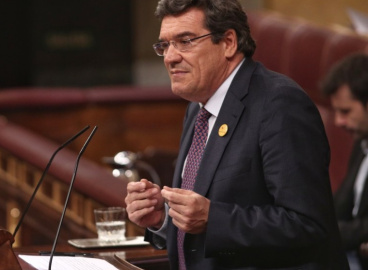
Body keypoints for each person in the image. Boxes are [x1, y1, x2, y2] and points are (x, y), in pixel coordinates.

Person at [124, 0, 349, 269]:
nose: (171, 57)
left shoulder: (279, 104)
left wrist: (213, 219)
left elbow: (307, 224)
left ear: (229, 42)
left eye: (185, 41)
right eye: (165, 45)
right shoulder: (198, 109)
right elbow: (200, 216)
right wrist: (164, 217)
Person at [320, 53, 368, 270]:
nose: (338, 121)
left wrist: (318, 231)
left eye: (346, 111)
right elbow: (342, 203)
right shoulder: (362, 141)